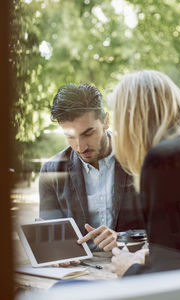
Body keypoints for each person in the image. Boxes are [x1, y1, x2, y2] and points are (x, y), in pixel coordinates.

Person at [110, 70, 180, 277]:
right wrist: (156, 255)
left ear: (131, 114)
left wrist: (129, 269)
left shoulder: (165, 160)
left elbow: (171, 286)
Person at [39, 83, 143, 253]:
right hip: (81, 271)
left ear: (106, 121)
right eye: (70, 137)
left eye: (88, 133)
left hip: (134, 267)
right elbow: (51, 240)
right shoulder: (51, 172)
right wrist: (56, 250)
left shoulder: (140, 159)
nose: (80, 147)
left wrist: (124, 240)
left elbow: (164, 229)